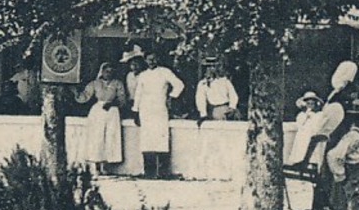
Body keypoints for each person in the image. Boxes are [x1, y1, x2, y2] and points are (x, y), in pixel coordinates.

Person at [133, 50, 185, 179]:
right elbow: (138, 93)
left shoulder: (165, 72)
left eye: (154, 59)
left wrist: (171, 97)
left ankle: (163, 172)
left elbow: (179, 85)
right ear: (145, 61)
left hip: (159, 109)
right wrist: (135, 110)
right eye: (149, 59)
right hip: (145, 110)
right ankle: (149, 173)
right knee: (147, 139)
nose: (152, 62)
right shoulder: (143, 75)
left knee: (161, 138)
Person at [75, 61, 128, 175]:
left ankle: (105, 167)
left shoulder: (117, 84)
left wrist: (113, 104)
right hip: (98, 111)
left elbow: (122, 100)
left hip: (112, 111)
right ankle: (96, 167)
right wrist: (75, 91)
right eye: (106, 71)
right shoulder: (95, 83)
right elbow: (84, 96)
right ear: (101, 72)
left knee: (110, 137)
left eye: (111, 72)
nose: (108, 74)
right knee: (97, 137)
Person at [286, 90, 328, 170]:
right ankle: (298, 163)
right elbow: (299, 124)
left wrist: (312, 117)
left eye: (312, 104)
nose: (310, 106)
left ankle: (311, 164)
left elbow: (317, 125)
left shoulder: (318, 115)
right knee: (300, 149)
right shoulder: (301, 115)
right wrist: (306, 116)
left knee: (311, 150)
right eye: (308, 104)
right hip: (302, 135)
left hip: (311, 135)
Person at [195, 56, 240, 120]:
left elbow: (233, 95)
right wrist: (203, 114)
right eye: (208, 67)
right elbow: (200, 100)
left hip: (228, 109)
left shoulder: (224, 81)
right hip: (214, 111)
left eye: (213, 67)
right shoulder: (203, 84)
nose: (210, 69)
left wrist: (232, 107)